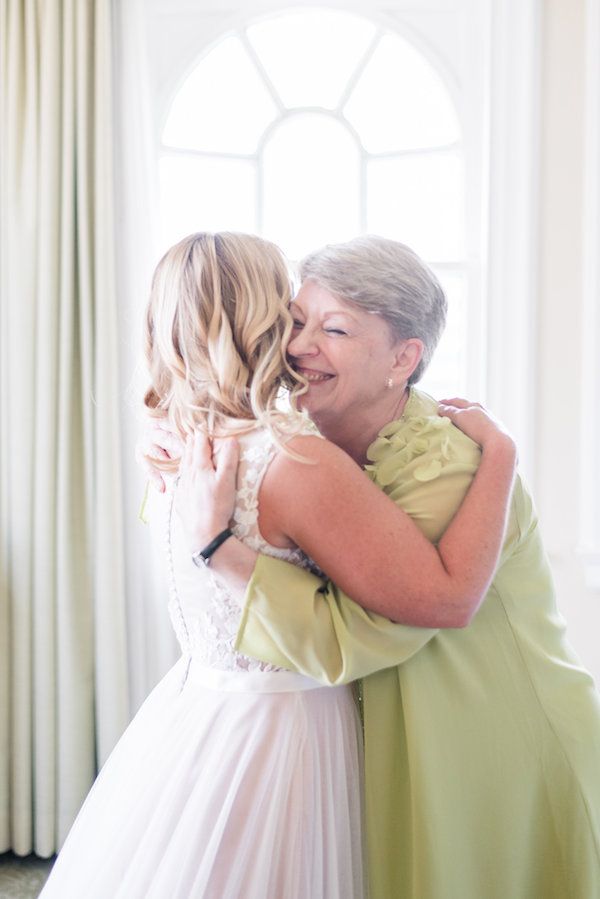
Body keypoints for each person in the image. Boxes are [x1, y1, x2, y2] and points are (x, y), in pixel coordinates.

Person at [41, 231, 515, 899]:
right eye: (293, 315)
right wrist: (502, 451)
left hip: (196, 716)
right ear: (264, 317)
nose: (299, 337)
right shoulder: (294, 459)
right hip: (281, 737)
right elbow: (444, 596)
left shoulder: (181, 440)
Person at [144, 235, 600, 899]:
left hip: (498, 742)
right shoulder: (302, 444)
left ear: (403, 359)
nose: (298, 346)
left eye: (334, 329)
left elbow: (369, 627)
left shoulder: (446, 465)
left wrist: (222, 549)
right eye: (296, 321)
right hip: (407, 735)